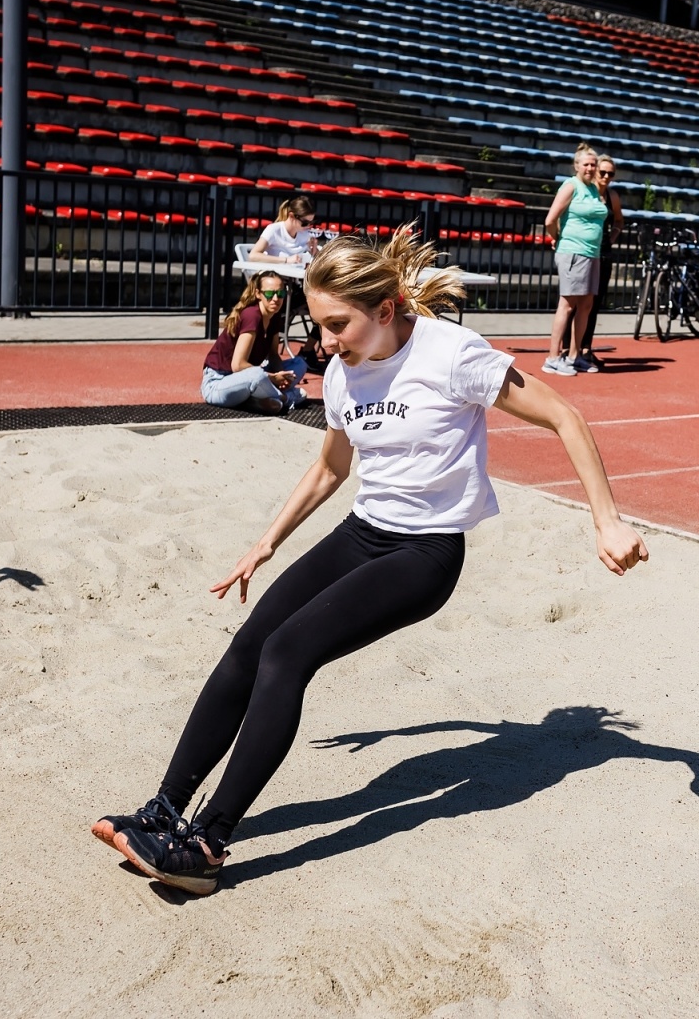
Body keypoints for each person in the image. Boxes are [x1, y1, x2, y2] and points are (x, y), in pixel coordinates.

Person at [93, 224, 649, 896]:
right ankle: (163, 811)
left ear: (385, 310)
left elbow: (566, 417)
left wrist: (607, 521)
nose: (324, 341)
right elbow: (331, 467)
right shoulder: (339, 374)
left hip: (424, 553)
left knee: (287, 653)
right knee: (249, 645)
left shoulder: (453, 354)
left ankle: (208, 847)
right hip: (363, 533)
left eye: (337, 325)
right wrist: (266, 542)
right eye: (318, 324)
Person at [200, 270, 307, 413]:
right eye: (269, 294)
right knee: (257, 375)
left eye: (280, 294)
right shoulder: (252, 316)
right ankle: (285, 398)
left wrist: (283, 376)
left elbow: (274, 355)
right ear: (258, 294)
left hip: (247, 378)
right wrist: (272, 378)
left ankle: (254, 399)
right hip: (219, 382)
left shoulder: (274, 316)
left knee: (299, 363)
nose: (275, 298)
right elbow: (238, 365)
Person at [543, 144, 608, 376]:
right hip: (573, 252)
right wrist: (557, 238)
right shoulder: (571, 186)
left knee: (586, 305)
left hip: (592, 253)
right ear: (577, 165)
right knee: (568, 304)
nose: (590, 168)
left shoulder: (593, 189)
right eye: (586, 164)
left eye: (593, 165)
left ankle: (574, 355)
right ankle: (552, 357)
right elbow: (551, 219)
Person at [576, 155, 624, 370]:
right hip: (583, 250)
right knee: (575, 302)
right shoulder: (586, 191)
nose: (606, 177)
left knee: (594, 304)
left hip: (603, 253)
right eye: (602, 172)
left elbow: (619, 221)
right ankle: (569, 347)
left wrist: (611, 237)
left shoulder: (612, 195)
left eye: (610, 174)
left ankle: (586, 347)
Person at [248, 195, 317, 265]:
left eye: (311, 222)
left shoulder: (304, 234)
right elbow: (253, 256)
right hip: (275, 273)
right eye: (305, 223)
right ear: (291, 216)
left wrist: (314, 252)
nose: (308, 226)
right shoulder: (274, 230)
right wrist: (286, 260)